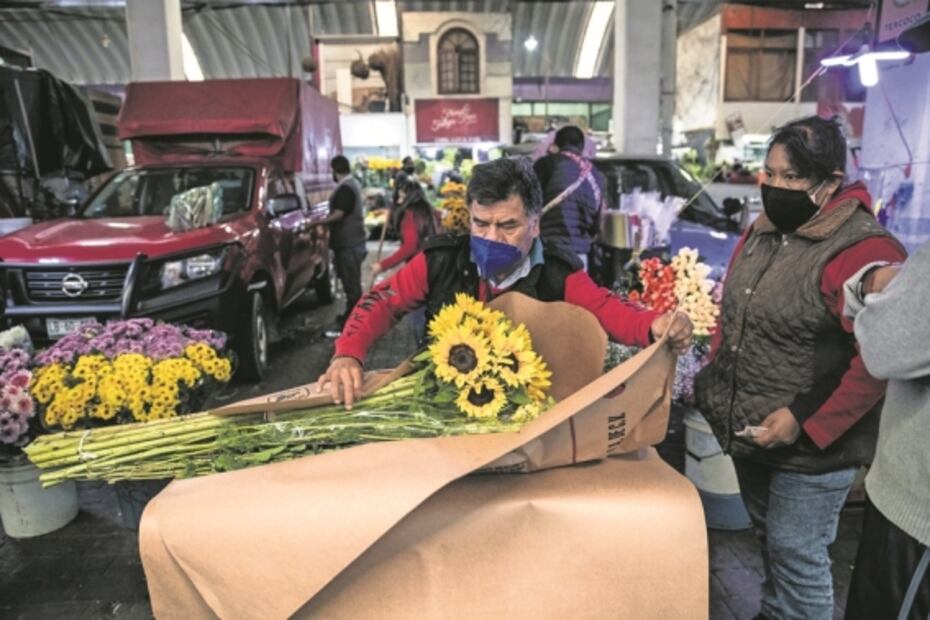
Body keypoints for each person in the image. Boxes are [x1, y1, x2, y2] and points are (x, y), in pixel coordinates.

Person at [693, 115, 907, 620]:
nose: (775, 187)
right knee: (772, 542)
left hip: (813, 450)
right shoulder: (766, 229)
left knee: (798, 554)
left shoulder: (865, 250)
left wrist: (804, 417)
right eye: (770, 173)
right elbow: (735, 307)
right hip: (752, 430)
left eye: (792, 177)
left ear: (830, 182)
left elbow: (876, 358)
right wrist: (713, 373)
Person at [315, 156, 693, 408]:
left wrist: (653, 325)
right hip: (442, 404)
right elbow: (382, 301)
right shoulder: (441, 261)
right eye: (481, 224)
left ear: (534, 224)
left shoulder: (557, 272)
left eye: (508, 225)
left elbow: (605, 308)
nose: (492, 238)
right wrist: (348, 353)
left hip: (525, 414)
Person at [842, 244, 930, 620]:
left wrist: (869, 281)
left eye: (791, 177)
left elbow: (885, 344)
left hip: (915, 522)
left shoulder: (862, 238)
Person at [371, 176, 439, 343]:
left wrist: (382, 265)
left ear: (409, 196)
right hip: (436, 268)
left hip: (419, 274)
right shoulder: (431, 211)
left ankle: (421, 356)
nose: (399, 200)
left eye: (401, 196)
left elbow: (409, 246)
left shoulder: (409, 214)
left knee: (419, 321)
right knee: (432, 321)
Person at [533, 125, 606, 270]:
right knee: (577, 292)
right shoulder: (594, 174)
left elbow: (530, 203)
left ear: (556, 143)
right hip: (580, 255)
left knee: (549, 292)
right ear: (581, 146)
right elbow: (596, 221)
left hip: (550, 252)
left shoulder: (547, 164)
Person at [321, 155, 368, 339]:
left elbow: (339, 214)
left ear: (335, 169)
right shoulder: (351, 185)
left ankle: (356, 322)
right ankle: (353, 317)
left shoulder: (346, 187)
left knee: (352, 285)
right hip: (352, 242)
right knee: (351, 283)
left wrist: (318, 222)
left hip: (349, 244)